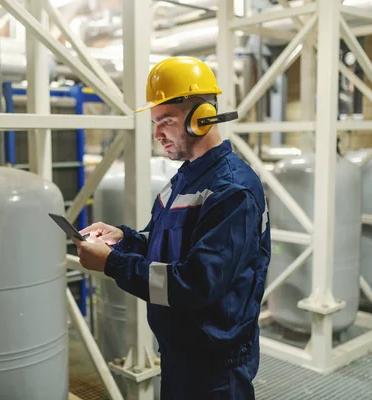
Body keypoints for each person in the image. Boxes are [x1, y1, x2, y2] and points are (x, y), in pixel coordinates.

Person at [73, 56, 271, 400]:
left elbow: (195, 283)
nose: (156, 133)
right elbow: (164, 243)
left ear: (201, 119)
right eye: (155, 122)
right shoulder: (184, 177)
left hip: (215, 367)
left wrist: (111, 263)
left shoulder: (231, 191)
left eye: (166, 120)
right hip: (180, 352)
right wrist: (124, 239)